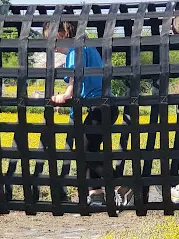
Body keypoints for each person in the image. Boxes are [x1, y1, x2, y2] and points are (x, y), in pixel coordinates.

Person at [42, 17, 133, 207]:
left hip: (101, 107)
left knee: (85, 150)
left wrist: (64, 96)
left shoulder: (76, 51)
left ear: (62, 35)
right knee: (89, 148)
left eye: (49, 40)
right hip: (106, 107)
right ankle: (96, 193)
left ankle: (121, 185)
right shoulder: (88, 48)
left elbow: (77, 79)